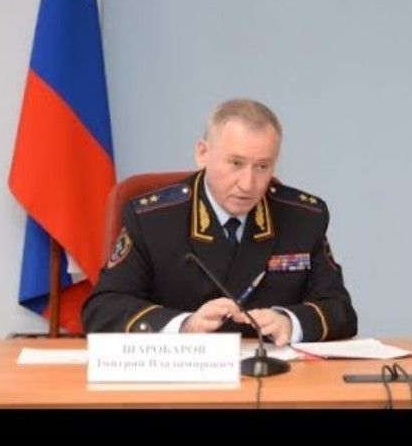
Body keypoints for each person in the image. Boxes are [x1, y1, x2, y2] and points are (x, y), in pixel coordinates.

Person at [82, 98, 357, 344]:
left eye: (262, 167)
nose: (248, 184)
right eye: (236, 163)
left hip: (273, 375)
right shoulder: (152, 220)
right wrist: (183, 327)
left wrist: (290, 322)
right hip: (181, 377)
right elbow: (103, 309)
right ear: (203, 153)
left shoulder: (303, 218)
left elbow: (339, 310)